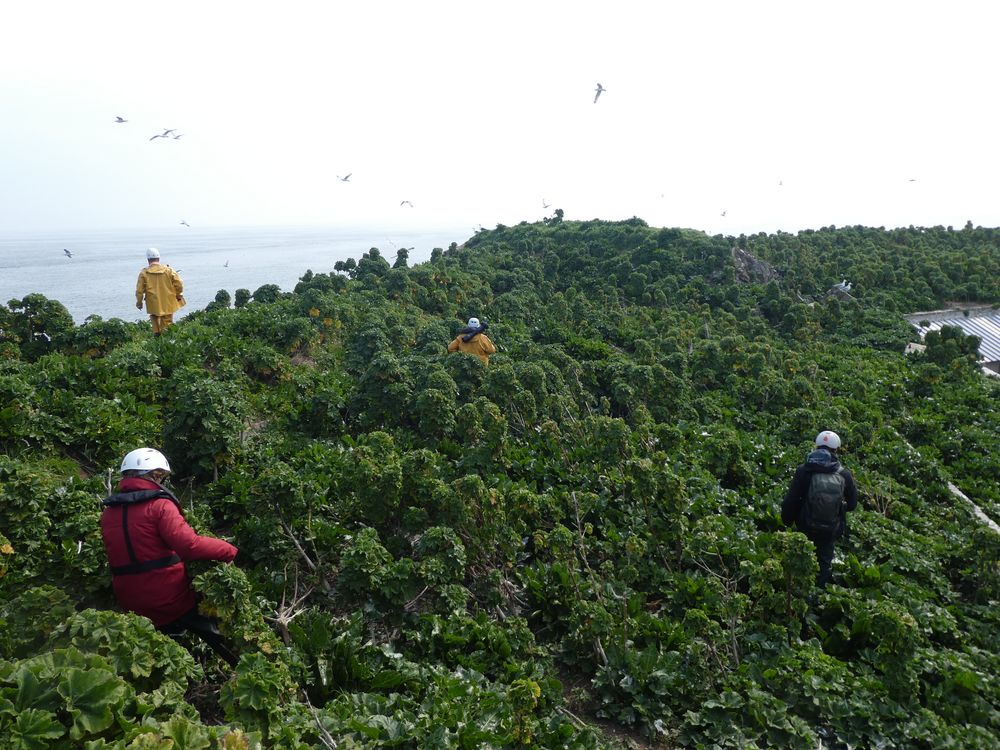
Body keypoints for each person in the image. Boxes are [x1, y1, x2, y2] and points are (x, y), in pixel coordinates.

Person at [101, 448, 239, 665]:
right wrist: (228, 550)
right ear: (154, 475)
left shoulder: (108, 513)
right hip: (168, 596)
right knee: (221, 635)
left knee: (161, 651)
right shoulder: (159, 506)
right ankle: (241, 665)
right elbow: (189, 546)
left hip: (130, 600)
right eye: (160, 476)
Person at [781, 430, 858, 587]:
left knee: (800, 557)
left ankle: (795, 591)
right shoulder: (844, 474)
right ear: (836, 449)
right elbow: (852, 505)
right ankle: (817, 598)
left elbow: (792, 499)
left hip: (805, 525)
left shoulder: (804, 471)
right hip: (830, 530)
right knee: (823, 564)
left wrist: (787, 520)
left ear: (816, 446)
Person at [136, 247, 185, 335]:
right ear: (158, 258)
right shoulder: (169, 270)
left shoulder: (144, 273)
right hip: (168, 302)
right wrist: (179, 295)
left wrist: (139, 303)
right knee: (167, 320)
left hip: (152, 303)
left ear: (148, 260)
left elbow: (139, 290)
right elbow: (179, 284)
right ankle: (167, 337)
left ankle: (157, 335)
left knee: (154, 317)